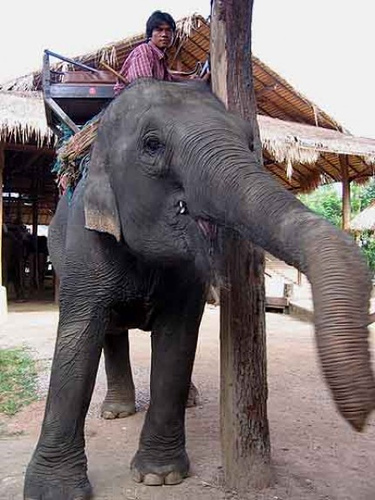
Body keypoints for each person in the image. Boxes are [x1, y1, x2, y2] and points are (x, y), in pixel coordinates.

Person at [114, 11, 208, 95]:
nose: (164, 34)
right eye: (159, 30)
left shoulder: (161, 59)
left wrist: (194, 81)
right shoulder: (144, 52)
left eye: (168, 30)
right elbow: (146, 90)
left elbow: (171, 79)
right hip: (132, 108)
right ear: (150, 34)